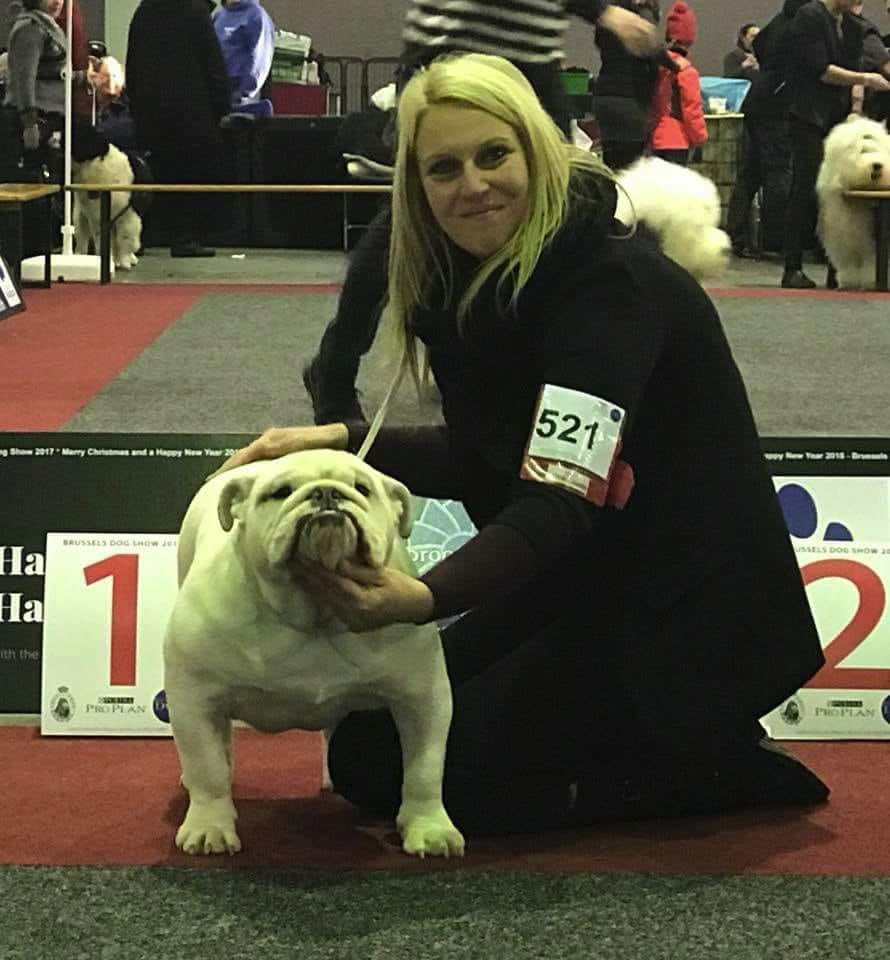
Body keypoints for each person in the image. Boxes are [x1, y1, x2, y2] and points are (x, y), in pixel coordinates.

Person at [219, 53, 830, 837]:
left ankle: (710, 764)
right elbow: (490, 456)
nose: (472, 185)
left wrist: (423, 597)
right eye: (444, 168)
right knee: (371, 744)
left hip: (686, 611)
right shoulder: (475, 283)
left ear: (536, 153)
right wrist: (342, 442)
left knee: (440, 778)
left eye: (493, 155)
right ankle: (655, 743)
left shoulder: (609, 292)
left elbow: (556, 498)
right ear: (417, 187)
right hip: (583, 578)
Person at [303, 0, 664, 425]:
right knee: (415, 221)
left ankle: (516, 367)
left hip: (532, 60)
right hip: (456, 53)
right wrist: (601, 11)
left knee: (559, 214)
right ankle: (337, 365)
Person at [780, 0, 890, 289]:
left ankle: (837, 267)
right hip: (807, 115)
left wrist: (856, 108)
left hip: (836, 117)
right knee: (806, 187)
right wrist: (866, 79)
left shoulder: (851, 25)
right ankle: (792, 266)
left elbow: (854, 66)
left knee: (842, 193)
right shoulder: (809, 16)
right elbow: (822, 70)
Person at [126, 0, 232, 258]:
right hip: (191, 112)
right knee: (191, 175)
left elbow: (133, 64)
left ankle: (146, 234)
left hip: (151, 110)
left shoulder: (144, 11)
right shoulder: (195, 11)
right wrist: (221, 105)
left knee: (155, 173)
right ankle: (185, 237)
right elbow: (212, 62)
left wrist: (137, 106)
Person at [726, 0, 806, 259]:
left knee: (751, 173)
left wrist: (770, 68)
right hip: (776, 107)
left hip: (759, 100)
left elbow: (758, 44)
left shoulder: (779, 21)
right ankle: (775, 241)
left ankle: (736, 236)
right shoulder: (803, 24)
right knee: (778, 173)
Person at [1, 0, 96, 178]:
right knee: (33, 182)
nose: (57, 1)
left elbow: (48, 73)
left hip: (48, 117)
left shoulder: (46, 25)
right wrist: (29, 123)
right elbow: (24, 79)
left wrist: (80, 77)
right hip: (33, 118)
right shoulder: (30, 28)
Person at [593, 0, 664, 170]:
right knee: (631, 170)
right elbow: (654, 52)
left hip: (604, 96)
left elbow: (599, 43)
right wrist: (676, 66)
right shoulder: (642, 15)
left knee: (611, 164)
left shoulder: (609, 13)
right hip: (630, 100)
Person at [649, 1, 707, 165]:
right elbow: (691, 110)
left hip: (652, 138)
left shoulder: (654, 66)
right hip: (677, 140)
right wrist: (700, 138)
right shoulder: (686, 71)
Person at [212, 0, 275, 107]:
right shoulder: (218, 15)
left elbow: (258, 63)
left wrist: (242, 94)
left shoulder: (256, 16)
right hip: (215, 90)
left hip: (238, 98)